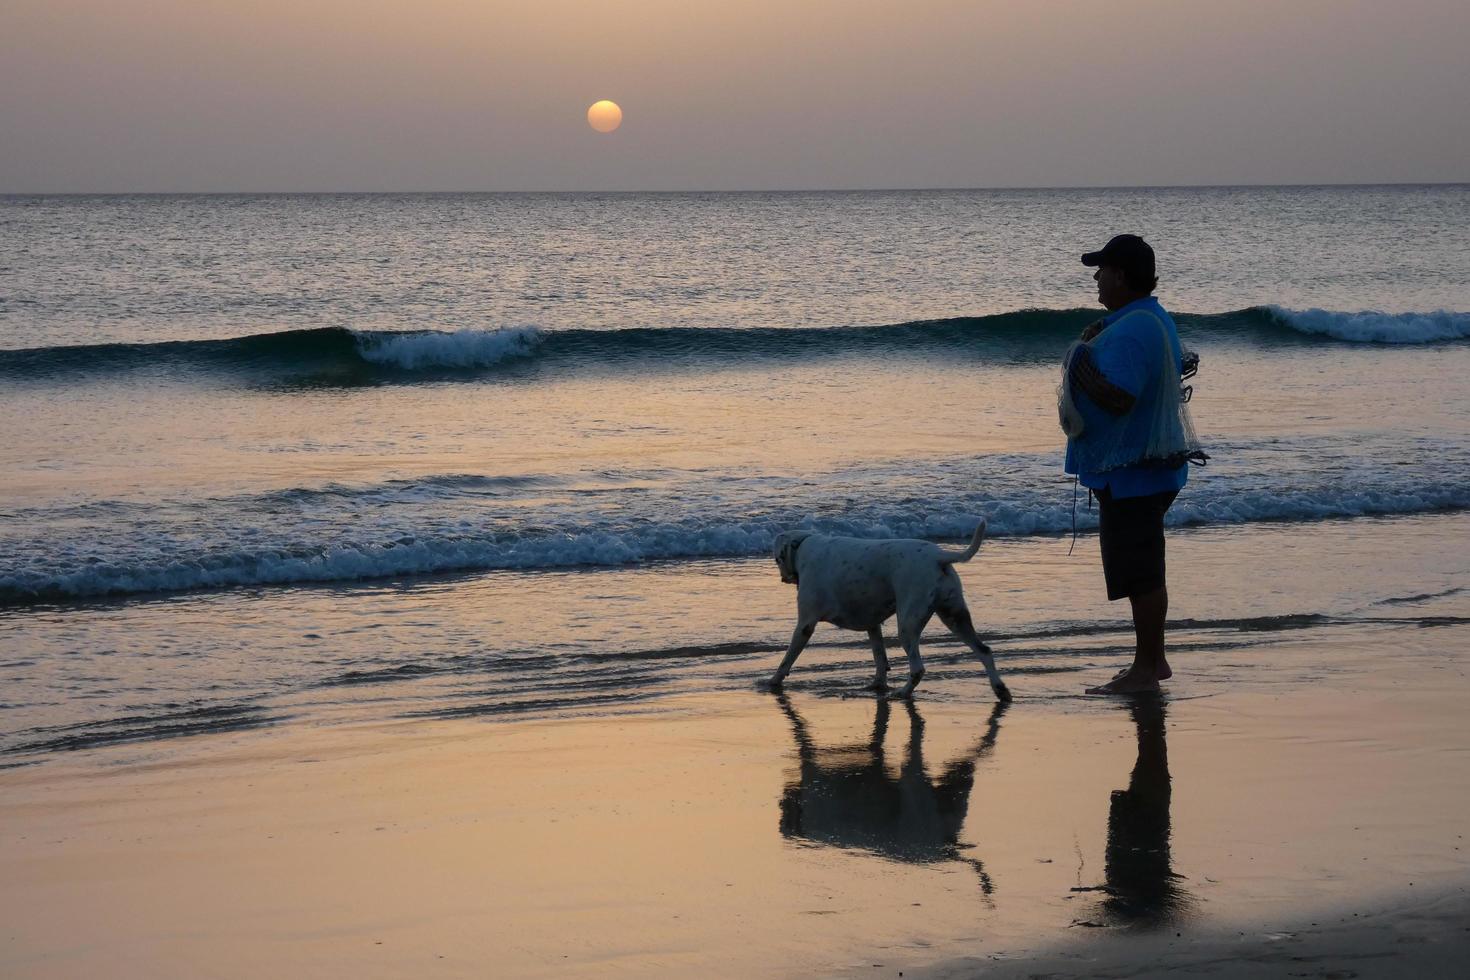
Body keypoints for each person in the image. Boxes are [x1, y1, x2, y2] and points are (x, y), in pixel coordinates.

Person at [1062, 234, 1193, 695]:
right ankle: (1151, 662)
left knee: (1141, 571)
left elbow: (1120, 398)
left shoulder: (1136, 328)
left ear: (1121, 274)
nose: (1096, 278)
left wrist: (1080, 365)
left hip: (1136, 473)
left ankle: (1146, 669)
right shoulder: (1142, 319)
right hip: (1143, 468)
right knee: (1142, 566)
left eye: (1101, 270)